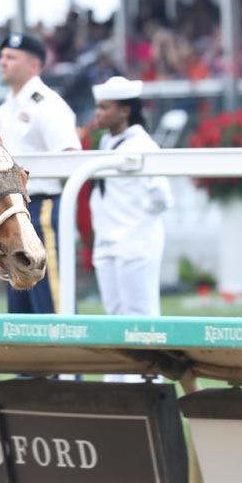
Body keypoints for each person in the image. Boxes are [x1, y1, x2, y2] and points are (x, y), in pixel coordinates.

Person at [0, 32, 82, 314]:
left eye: (11, 57)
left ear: (34, 65)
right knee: (20, 302)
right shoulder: (5, 109)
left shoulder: (48, 105)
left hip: (43, 207)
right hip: (14, 210)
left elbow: (69, 157)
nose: (2, 62)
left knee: (52, 300)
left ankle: (66, 356)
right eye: (2, 56)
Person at [88, 77, 172, 318]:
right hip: (107, 239)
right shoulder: (107, 142)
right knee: (114, 314)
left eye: (105, 107)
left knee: (140, 315)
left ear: (124, 111)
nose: (98, 113)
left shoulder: (142, 144)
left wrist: (137, 227)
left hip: (134, 242)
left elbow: (161, 196)